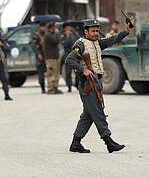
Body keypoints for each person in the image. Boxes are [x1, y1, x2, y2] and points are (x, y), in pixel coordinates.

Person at [65, 17, 134, 154]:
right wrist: (83, 69)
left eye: (97, 31)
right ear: (86, 31)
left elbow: (112, 40)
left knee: (88, 115)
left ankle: (76, 143)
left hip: (96, 82)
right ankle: (108, 141)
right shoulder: (81, 44)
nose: (96, 33)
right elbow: (69, 60)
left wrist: (126, 31)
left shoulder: (97, 43)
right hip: (87, 85)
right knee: (98, 113)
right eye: (93, 31)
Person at [44, 21, 62, 94]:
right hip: (50, 58)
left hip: (54, 57)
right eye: (54, 27)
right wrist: (57, 34)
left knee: (56, 73)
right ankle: (50, 89)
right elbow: (56, 41)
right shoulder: (48, 35)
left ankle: (55, 87)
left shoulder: (51, 34)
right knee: (51, 73)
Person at [60, 22, 77, 92]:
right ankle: (69, 86)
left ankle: (78, 85)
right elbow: (65, 44)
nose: (69, 29)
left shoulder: (74, 34)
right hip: (67, 56)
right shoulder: (63, 36)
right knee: (68, 73)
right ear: (64, 29)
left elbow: (77, 41)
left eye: (69, 27)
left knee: (77, 72)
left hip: (75, 55)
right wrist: (67, 36)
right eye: (67, 28)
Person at [31, 21, 47, 93]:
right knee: (40, 73)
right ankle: (42, 88)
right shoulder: (36, 36)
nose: (44, 28)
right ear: (40, 27)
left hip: (47, 55)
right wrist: (38, 54)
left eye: (45, 27)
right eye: (42, 27)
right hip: (40, 55)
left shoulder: (47, 34)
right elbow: (33, 46)